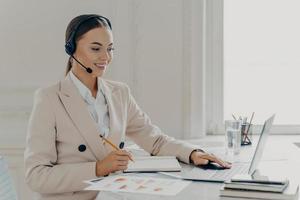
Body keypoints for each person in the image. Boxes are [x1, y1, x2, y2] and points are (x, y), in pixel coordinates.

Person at [24, 14, 231, 200]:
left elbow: (155, 140)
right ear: (71, 49)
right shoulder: (49, 99)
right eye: (96, 48)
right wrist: (97, 168)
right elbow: (36, 176)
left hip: (113, 195)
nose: (106, 57)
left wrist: (193, 153)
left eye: (110, 48)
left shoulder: (119, 93)